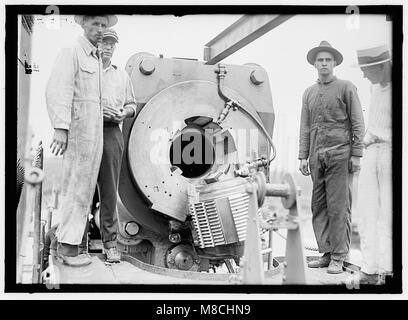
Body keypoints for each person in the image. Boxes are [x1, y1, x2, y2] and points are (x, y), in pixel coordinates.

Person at [46, 15, 118, 267]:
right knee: (75, 187)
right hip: (78, 132)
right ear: (82, 24)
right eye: (95, 24)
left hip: (94, 133)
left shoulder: (95, 58)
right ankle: (68, 249)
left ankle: (65, 244)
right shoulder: (72, 52)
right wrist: (60, 128)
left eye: (103, 25)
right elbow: (58, 89)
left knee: (85, 189)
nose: (100, 30)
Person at [298, 41, 365, 274]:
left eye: (328, 60)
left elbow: (358, 122)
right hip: (317, 157)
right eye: (320, 60)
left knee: (339, 207)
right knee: (318, 206)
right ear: (315, 64)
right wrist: (302, 156)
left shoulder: (346, 87)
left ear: (334, 63)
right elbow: (305, 127)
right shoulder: (309, 93)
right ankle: (326, 253)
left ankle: (339, 255)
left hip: (340, 154)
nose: (324, 63)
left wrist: (357, 154)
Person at [95, 28, 137, 263]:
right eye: (104, 43)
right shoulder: (86, 73)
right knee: (82, 189)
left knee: (109, 192)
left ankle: (111, 245)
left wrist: (124, 112)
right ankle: (77, 244)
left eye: (112, 44)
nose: (108, 47)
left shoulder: (121, 76)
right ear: (96, 45)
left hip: (112, 133)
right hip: (87, 131)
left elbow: (132, 104)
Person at [355, 45, 392, 284]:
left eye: (367, 71)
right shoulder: (373, 87)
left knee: (389, 213)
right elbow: (373, 122)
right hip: (371, 152)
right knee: (366, 210)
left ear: (380, 67)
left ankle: (388, 269)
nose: (364, 76)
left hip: (391, 153)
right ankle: (369, 268)